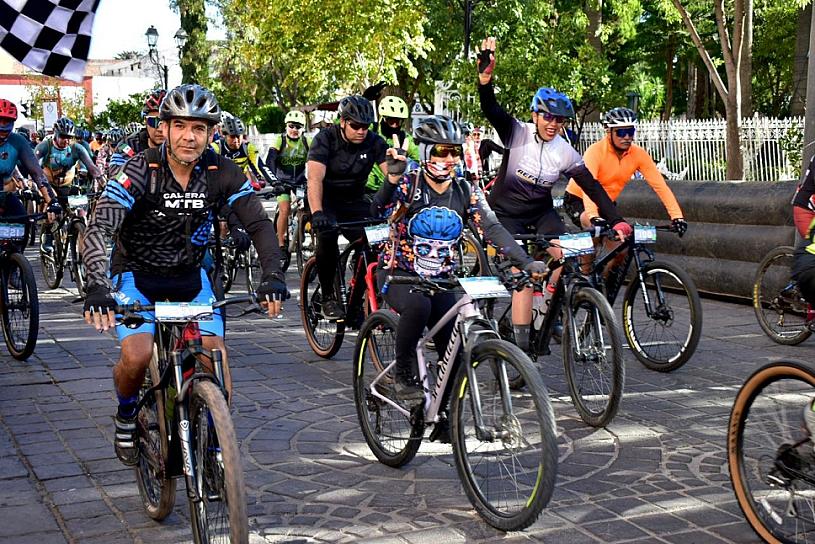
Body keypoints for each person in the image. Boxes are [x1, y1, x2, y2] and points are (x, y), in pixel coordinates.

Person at [81, 84, 288, 466]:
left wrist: (272, 275)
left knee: (214, 356)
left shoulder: (221, 171)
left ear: (211, 134)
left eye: (199, 128)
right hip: (136, 275)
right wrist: (97, 285)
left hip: (191, 276)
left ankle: (213, 439)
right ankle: (127, 414)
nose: (189, 137)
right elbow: (99, 227)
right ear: (165, 127)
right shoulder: (140, 168)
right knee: (138, 355)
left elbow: (258, 223)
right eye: (180, 126)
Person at [371, 115, 547, 402]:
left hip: (443, 279)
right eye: (442, 151)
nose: (449, 158)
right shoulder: (409, 184)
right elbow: (377, 213)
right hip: (401, 274)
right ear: (426, 151)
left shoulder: (466, 190)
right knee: (418, 306)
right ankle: (402, 372)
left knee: (453, 350)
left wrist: (524, 261)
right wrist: (391, 180)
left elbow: (491, 227)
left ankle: (442, 416)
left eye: (455, 150)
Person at [477, 36, 630, 356]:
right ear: (535, 115)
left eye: (559, 120)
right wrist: (485, 79)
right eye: (548, 117)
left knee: (568, 253)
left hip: (540, 214)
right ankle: (521, 354)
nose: (553, 124)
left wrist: (616, 220)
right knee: (521, 279)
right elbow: (490, 108)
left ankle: (550, 308)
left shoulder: (564, 151)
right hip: (505, 216)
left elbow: (592, 186)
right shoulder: (517, 133)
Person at [306, 95, 389, 321]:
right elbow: (314, 180)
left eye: (366, 126)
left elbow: (392, 175)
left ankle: (357, 299)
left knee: (376, 243)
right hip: (325, 200)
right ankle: (328, 296)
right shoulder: (325, 139)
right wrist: (317, 214)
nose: (361, 131)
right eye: (356, 126)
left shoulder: (374, 141)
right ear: (342, 122)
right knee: (328, 236)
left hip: (355, 201)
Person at [562, 107, 686, 236]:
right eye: (621, 132)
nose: (626, 137)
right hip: (579, 198)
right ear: (608, 132)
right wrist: (593, 216)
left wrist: (677, 217)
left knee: (621, 243)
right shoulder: (595, 151)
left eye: (630, 131)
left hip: (605, 202)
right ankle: (587, 254)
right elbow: (588, 186)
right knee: (595, 233)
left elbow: (661, 186)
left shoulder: (638, 154)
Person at [0, 99, 58, 223]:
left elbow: (37, 173)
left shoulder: (18, 141)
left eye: (7, 121)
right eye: (0, 120)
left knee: (24, 225)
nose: (3, 125)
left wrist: (52, 201)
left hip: (4, 196)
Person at [265, 110, 313, 248]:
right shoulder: (280, 140)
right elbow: (271, 160)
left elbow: (316, 161)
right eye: (291, 126)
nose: (294, 130)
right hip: (282, 181)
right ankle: (280, 242)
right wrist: (274, 180)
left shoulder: (307, 141)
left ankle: (303, 230)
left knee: (307, 207)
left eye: (298, 127)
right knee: (285, 209)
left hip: (299, 181)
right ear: (286, 126)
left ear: (303, 129)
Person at [365, 95, 419, 193]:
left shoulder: (405, 139)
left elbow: (417, 163)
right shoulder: (371, 130)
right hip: (367, 188)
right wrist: (364, 100)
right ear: (384, 118)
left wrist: (405, 162)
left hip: (391, 189)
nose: (394, 125)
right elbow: (347, 127)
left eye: (398, 122)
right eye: (391, 121)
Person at [108, 90, 167, 176]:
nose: (160, 129)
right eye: (153, 121)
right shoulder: (127, 145)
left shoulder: (181, 145)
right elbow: (116, 175)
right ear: (145, 122)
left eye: (166, 123)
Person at [211, 113, 264, 186]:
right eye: (232, 137)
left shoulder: (248, 147)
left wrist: (261, 179)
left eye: (238, 136)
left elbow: (258, 166)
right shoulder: (215, 147)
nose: (236, 140)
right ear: (225, 136)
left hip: (241, 180)